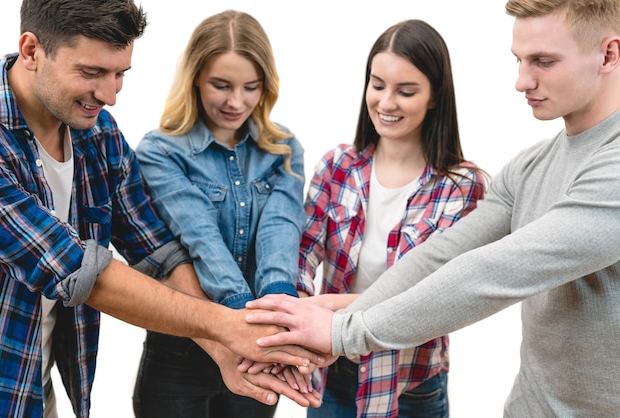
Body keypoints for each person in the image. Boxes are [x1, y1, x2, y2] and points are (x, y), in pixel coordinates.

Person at [246, 0, 620, 416]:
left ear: (608, 54)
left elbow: (494, 271)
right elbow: (440, 256)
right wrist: (342, 311)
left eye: (543, 61)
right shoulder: (529, 167)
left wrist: (344, 330)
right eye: (519, 60)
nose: (521, 81)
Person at [0, 1, 321, 417]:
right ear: (31, 50)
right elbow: (79, 271)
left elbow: (157, 249)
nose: (110, 96)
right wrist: (227, 325)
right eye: (92, 73)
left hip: (26, 379)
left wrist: (224, 351)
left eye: (119, 75)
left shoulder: (97, 134)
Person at [293, 19, 485, 418]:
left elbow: (437, 295)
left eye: (406, 91)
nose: (386, 102)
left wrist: (329, 314)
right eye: (377, 85)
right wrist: (295, 307)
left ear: (435, 97)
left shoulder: (462, 187)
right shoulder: (337, 166)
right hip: (334, 374)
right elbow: (302, 252)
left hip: (411, 384)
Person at [132, 10, 306, 418]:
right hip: (181, 351)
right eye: (221, 85)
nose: (236, 102)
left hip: (259, 347)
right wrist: (241, 313)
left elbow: (280, 231)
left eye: (251, 87)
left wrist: (277, 305)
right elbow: (200, 237)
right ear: (195, 77)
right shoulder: (160, 152)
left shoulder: (283, 148)